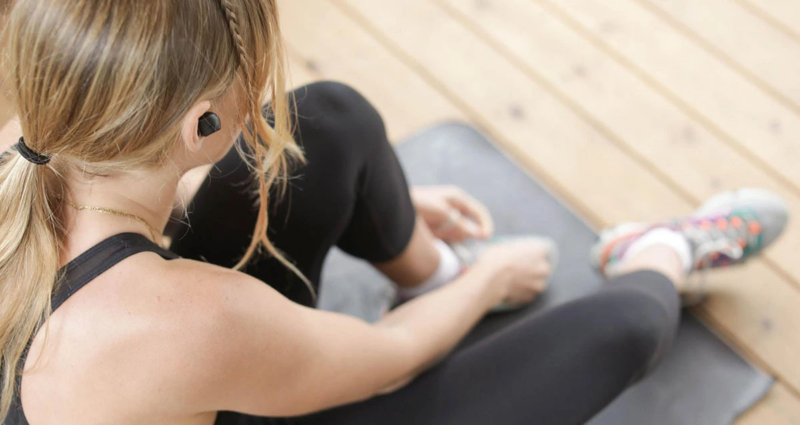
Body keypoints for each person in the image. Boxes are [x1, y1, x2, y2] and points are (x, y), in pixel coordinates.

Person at [0, 1, 788, 424]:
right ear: (200, 124)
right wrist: (483, 281)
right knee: (625, 327)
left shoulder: (34, 144)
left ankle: (424, 268)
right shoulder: (186, 319)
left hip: (164, 379)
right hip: (199, 368)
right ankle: (662, 253)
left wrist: (404, 218)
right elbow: (389, 359)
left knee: (327, 122)